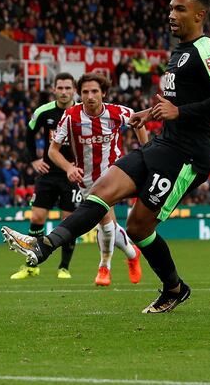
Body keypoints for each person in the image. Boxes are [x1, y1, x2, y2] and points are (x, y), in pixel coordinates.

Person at [2, 0, 210, 313]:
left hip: (187, 156)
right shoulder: (179, 52)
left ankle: (174, 288)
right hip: (162, 144)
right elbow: (179, 101)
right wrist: (152, 112)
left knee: (140, 228)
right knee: (100, 191)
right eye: (170, 7)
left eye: (180, 9)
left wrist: (179, 112)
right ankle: (44, 246)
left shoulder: (205, 50)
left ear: (199, 15)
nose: (171, 14)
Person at [48, 72, 145, 286]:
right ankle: (132, 253)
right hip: (87, 180)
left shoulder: (116, 112)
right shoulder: (71, 116)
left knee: (105, 223)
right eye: (85, 92)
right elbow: (52, 151)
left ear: (103, 93)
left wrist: (146, 153)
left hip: (115, 174)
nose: (90, 96)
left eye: (94, 91)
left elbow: (139, 121)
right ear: (78, 93)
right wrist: (68, 167)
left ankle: (104, 267)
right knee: (108, 224)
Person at [10, 74, 80, 280]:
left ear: (74, 89)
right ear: (54, 89)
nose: (64, 91)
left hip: (73, 174)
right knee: (37, 218)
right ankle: (31, 265)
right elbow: (29, 135)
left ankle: (64, 267)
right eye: (60, 87)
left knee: (68, 222)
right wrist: (33, 160)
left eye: (68, 88)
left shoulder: (81, 112)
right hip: (48, 173)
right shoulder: (44, 111)